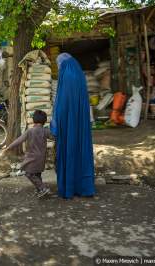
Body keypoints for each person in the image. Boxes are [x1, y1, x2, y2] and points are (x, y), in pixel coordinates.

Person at [51, 53, 95, 199]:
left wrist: (56, 122)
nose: (59, 68)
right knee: (80, 149)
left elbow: (61, 104)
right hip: (80, 121)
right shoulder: (78, 75)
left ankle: (69, 187)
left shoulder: (66, 77)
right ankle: (84, 187)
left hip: (67, 122)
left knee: (68, 150)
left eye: (59, 65)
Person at [5, 110, 51, 198]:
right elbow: (55, 137)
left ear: (34, 120)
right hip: (42, 157)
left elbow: (19, 140)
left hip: (32, 157)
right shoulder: (46, 131)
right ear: (44, 121)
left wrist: (9, 147)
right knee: (37, 174)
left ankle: (43, 188)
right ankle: (40, 191)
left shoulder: (30, 131)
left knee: (29, 173)